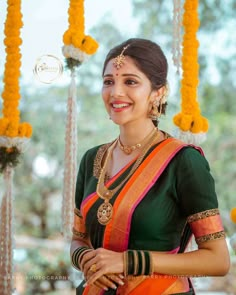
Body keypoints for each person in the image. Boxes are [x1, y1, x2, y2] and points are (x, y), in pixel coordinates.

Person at [70, 38, 230, 295]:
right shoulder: (92, 159)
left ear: (158, 92)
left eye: (130, 81)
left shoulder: (183, 161)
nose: (116, 92)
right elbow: (79, 239)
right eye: (109, 81)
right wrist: (88, 262)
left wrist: (128, 261)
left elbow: (218, 260)